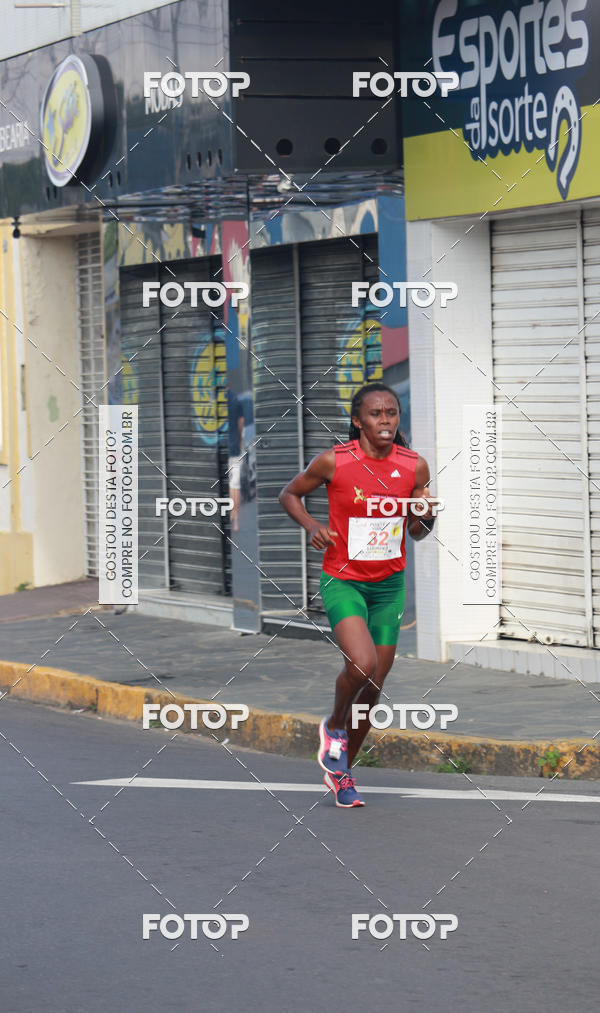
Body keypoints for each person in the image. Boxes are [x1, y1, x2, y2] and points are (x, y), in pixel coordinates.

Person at [278, 382, 436, 808]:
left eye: (392, 413)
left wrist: (426, 515)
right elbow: (289, 494)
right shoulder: (334, 461)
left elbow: (418, 533)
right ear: (357, 420)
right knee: (362, 665)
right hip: (344, 580)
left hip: (389, 585)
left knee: (375, 685)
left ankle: (341, 768)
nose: (385, 421)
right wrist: (312, 526)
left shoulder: (414, 467)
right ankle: (333, 725)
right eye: (376, 414)